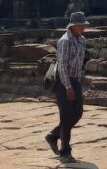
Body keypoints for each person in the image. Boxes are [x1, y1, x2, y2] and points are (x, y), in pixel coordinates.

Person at [45, 11, 89, 163]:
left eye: (84, 25)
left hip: (75, 80)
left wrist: (77, 85)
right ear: (73, 26)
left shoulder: (82, 40)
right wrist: (68, 87)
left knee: (77, 113)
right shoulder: (64, 41)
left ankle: (53, 135)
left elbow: (79, 64)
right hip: (63, 82)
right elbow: (62, 66)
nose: (83, 28)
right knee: (66, 115)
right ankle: (65, 151)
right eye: (81, 25)